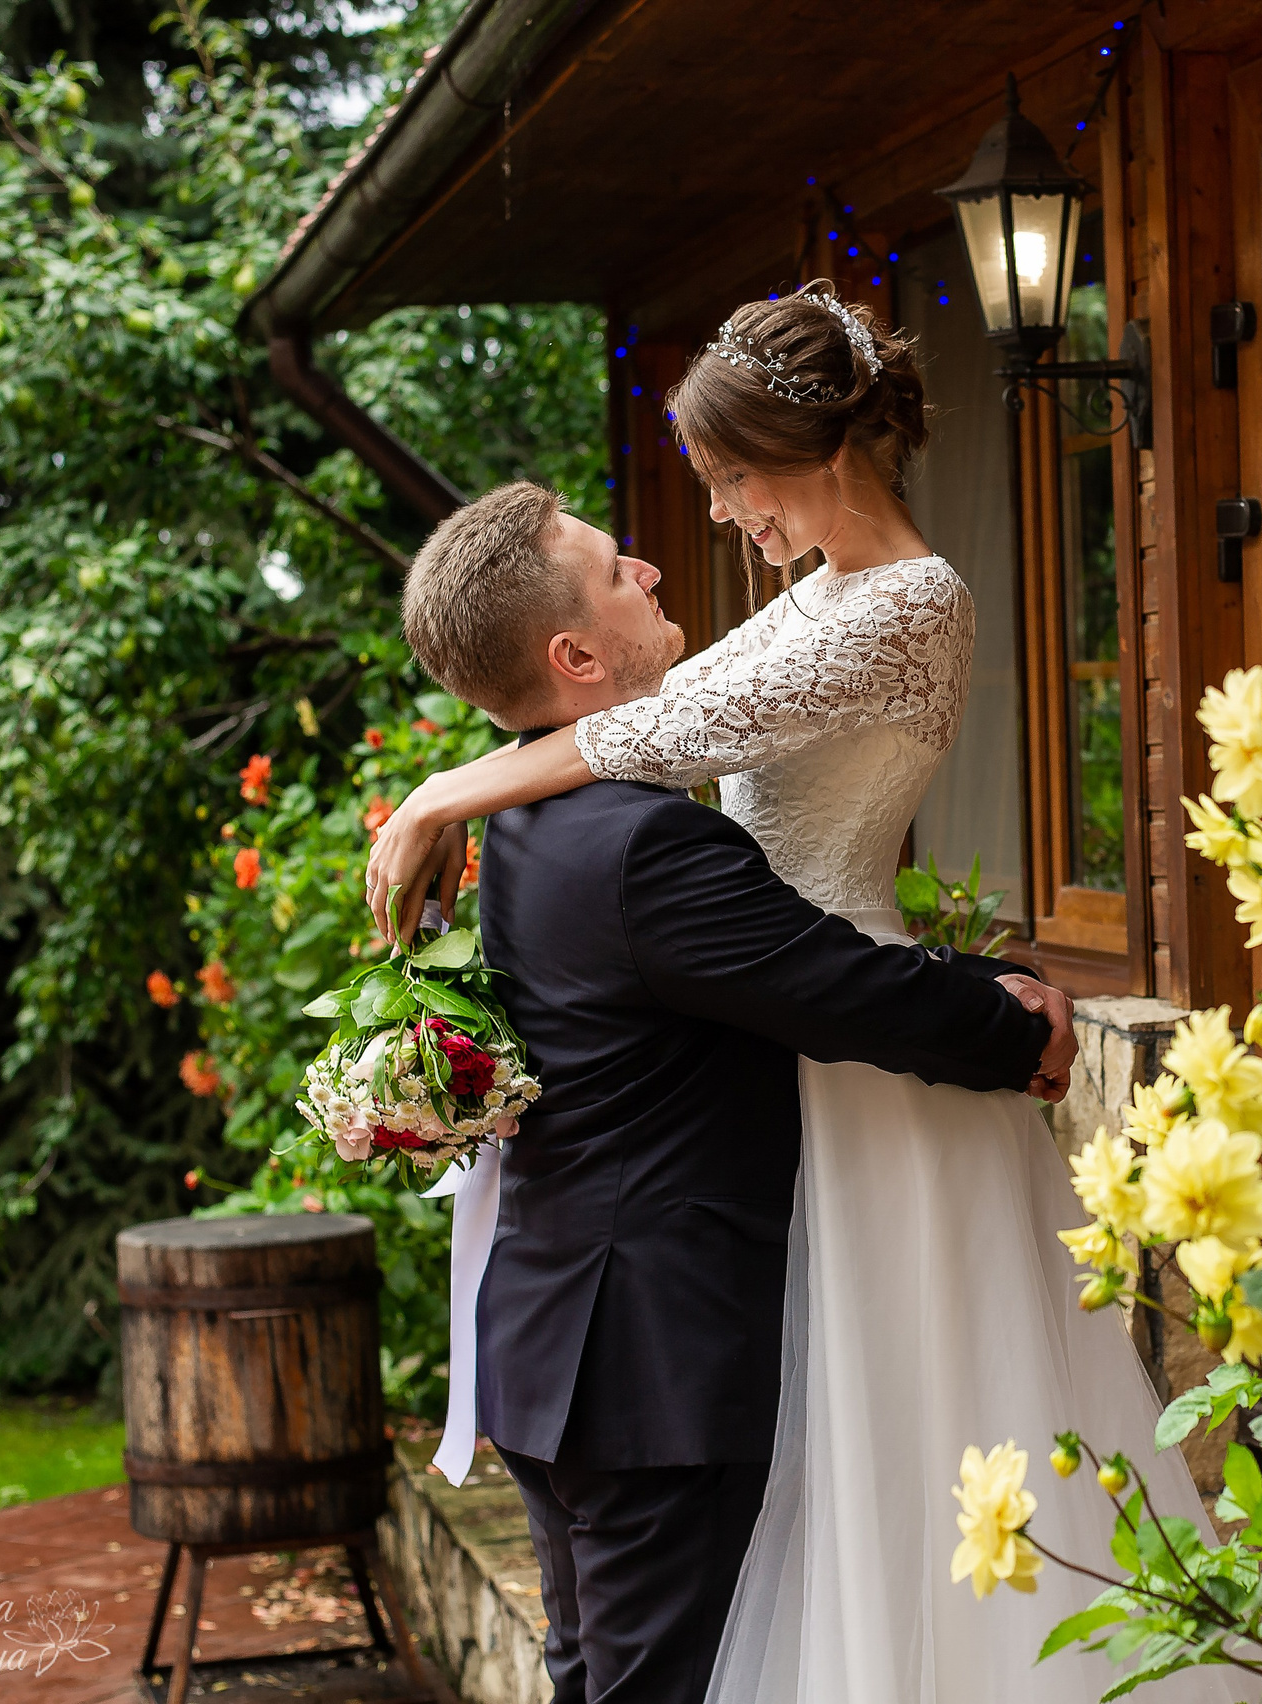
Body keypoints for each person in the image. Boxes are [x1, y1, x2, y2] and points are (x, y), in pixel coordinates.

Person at [369, 285, 1239, 1704]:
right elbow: (631, 729)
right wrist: (455, 793)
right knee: (834, 1465)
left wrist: (443, 793)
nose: (712, 518)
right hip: (801, 1043)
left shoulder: (914, 602)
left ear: (807, 453)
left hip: (860, 1050)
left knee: (919, 1432)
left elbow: (647, 728)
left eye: (725, 480)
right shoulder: (810, 603)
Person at [390, 476, 1077, 1704]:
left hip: (558, 1347)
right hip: (649, 1371)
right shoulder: (645, 846)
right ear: (577, 653)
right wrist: (1010, 1022)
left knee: (597, 1677)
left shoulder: (527, 821)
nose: (651, 571)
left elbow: (762, 972)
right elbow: (836, 990)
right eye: (616, 570)